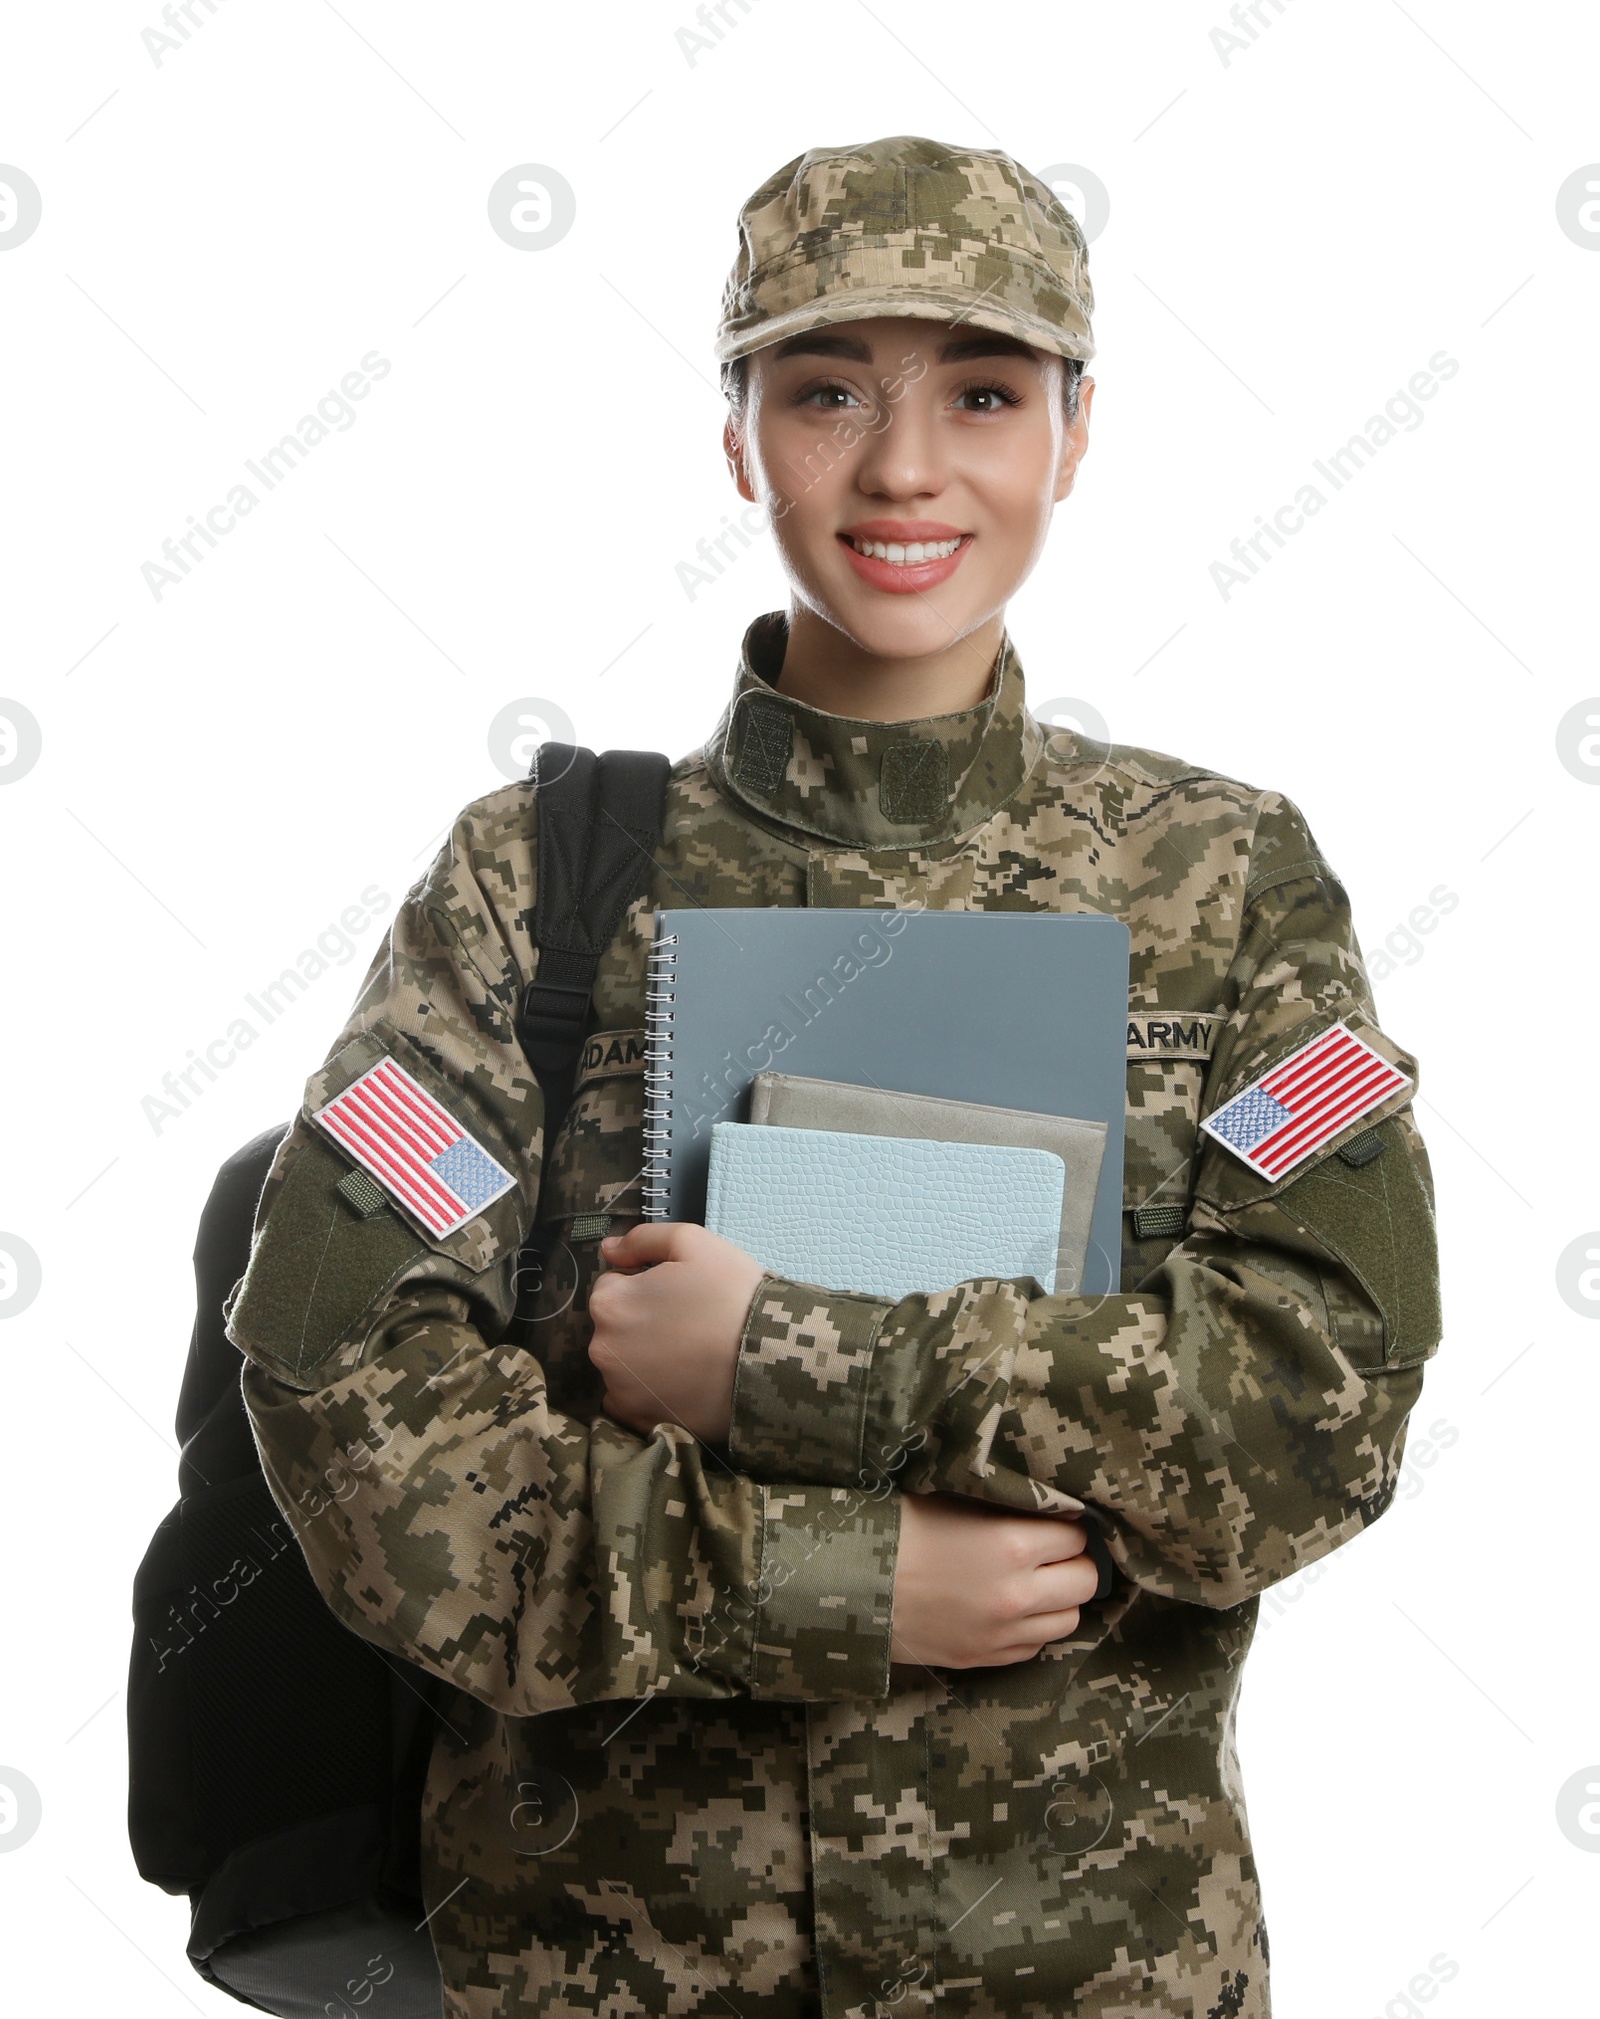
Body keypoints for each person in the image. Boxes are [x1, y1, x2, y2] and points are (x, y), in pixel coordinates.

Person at [228, 134, 1442, 2018]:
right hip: (596, 1971)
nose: (901, 468)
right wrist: (826, 1580)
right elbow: (347, 1410)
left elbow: (1319, 1403)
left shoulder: (1228, 886)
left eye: (981, 391)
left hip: (1087, 1973)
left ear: (1077, 428)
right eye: (822, 393)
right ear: (737, 435)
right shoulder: (531, 880)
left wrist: (791, 1353)